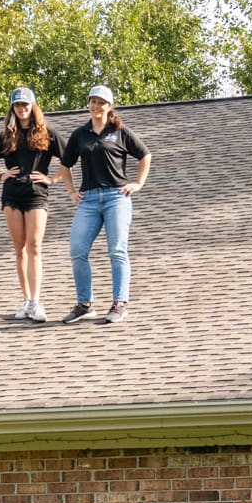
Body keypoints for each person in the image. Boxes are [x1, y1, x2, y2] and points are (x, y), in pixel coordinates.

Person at [59, 85, 151, 324]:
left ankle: (119, 303)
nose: (96, 106)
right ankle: (84, 304)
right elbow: (65, 164)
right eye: (93, 101)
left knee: (117, 250)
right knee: (77, 250)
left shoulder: (120, 131)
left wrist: (138, 183)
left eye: (101, 102)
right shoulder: (80, 134)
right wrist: (70, 190)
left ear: (110, 107)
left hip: (116, 197)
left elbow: (145, 155)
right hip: (88, 199)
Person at [0, 87, 64, 323]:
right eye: (17, 105)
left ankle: (36, 301)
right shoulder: (7, 135)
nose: (22, 109)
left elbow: (69, 159)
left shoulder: (48, 133)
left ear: (33, 106)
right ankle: (26, 300)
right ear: (13, 108)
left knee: (35, 245)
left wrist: (52, 179)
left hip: (36, 194)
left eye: (25, 104)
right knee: (20, 247)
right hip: (12, 195)